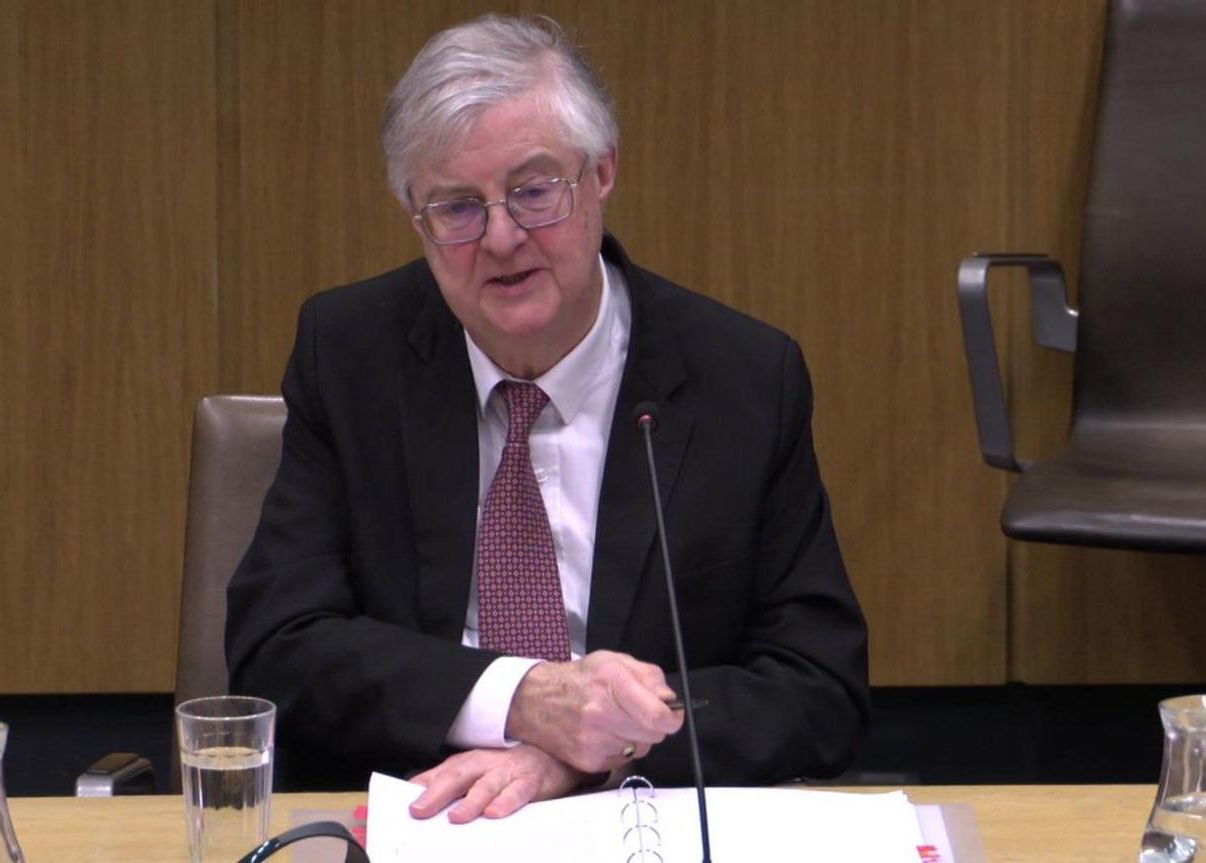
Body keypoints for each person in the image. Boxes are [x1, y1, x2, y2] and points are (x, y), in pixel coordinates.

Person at [225, 13, 868, 823]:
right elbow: (276, 648)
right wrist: (523, 698)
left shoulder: (740, 376)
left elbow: (819, 688)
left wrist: (591, 751)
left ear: (602, 172)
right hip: (418, 820)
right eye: (456, 208)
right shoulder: (351, 353)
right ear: (412, 216)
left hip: (636, 821)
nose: (500, 238)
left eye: (533, 191)